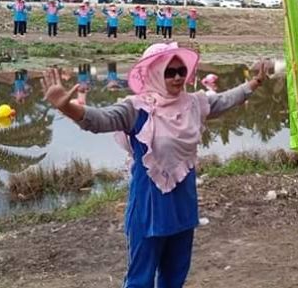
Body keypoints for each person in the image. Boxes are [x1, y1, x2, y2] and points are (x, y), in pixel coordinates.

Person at [40, 42, 268, 288]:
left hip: (183, 203)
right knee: (141, 278)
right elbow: (99, 120)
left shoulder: (194, 104)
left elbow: (224, 100)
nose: (178, 77)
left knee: (175, 275)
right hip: (149, 206)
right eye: (170, 72)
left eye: (181, 71)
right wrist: (67, 107)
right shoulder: (136, 108)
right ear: (155, 73)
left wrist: (254, 83)